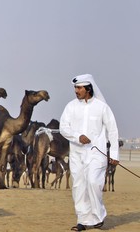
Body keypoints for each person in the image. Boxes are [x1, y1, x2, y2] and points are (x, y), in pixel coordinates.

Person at [60, 74, 119, 231]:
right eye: (75, 88)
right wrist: (78, 136)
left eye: (79, 88)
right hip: (77, 153)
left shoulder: (101, 107)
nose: (76, 91)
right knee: (79, 186)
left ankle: (98, 216)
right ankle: (82, 220)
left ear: (88, 89)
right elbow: (63, 127)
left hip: (96, 153)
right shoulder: (70, 106)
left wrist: (114, 155)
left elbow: (113, 131)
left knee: (93, 182)